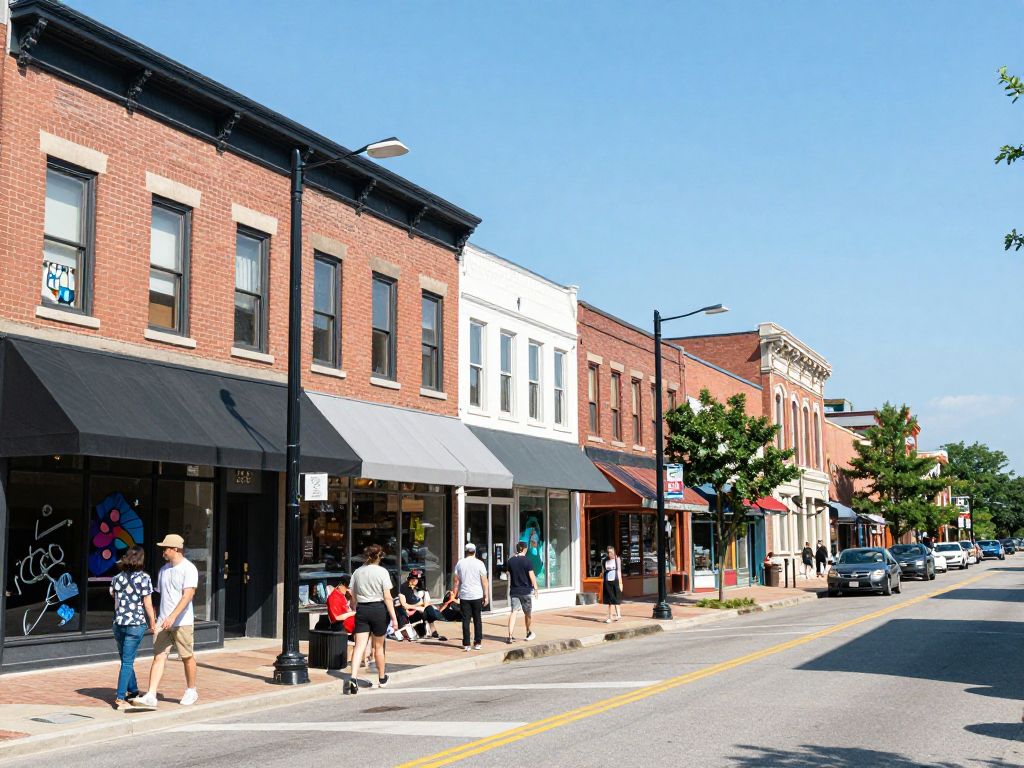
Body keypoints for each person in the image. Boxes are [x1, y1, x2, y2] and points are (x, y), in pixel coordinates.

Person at [132, 534, 199, 709]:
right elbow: (159, 596)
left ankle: (191, 690)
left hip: (182, 622)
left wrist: (173, 616)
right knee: (159, 656)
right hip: (164, 622)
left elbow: (188, 596)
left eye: (166, 548)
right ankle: (151, 694)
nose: (163, 551)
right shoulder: (164, 570)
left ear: (175, 549)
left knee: (186, 656)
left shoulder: (189, 569)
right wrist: (155, 620)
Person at [109, 545, 156, 711]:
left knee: (126, 660)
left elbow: (115, 601)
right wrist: (153, 622)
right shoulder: (144, 578)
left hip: (119, 623)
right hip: (136, 624)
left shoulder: (116, 578)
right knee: (128, 662)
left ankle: (134, 690)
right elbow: (148, 604)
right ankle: (120, 697)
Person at [347, 544, 398, 694]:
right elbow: (388, 597)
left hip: (362, 609)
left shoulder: (357, 572)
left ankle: (353, 677)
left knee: (359, 646)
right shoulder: (382, 572)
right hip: (378, 610)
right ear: (380, 557)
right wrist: (394, 618)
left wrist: (354, 608)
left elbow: (352, 596)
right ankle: (382, 678)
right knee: (378, 647)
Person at [451, 543, 489, 651]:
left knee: (465, 620)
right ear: (475, 551)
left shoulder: (460, 563)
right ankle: (477, 642)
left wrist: (455, 594)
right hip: (477, 595)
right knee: (477, 619)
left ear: (466, 551)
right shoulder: (480, 563)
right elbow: (484, 581)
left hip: (465, 595)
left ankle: (466, 643)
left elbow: (456, 581)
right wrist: (486, 596)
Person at [398, 569, 448, 641]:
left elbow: (427, 602)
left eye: (417, 580)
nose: (415, 581)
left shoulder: (421, 587)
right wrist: (417, 607)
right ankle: (434, 629)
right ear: (409, 579)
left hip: (421, 611)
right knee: (427, 613)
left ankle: (434, 631)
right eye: (413, 579)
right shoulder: (403, 587)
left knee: (428, 608)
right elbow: (404, 605)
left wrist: (423, 607)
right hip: (411, 613)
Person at [504, 541, 538, 643]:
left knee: (514, 611)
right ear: (525, 549)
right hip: (526, 591)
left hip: (514, 590)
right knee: (527, 613)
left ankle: (510, 635)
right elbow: (531, 576)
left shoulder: (510, 561)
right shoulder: (527, 561)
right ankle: (528, 632)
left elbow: (507, 573)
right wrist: (536, 588)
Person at [602, 545, 623, 623]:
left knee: (616, 598)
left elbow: (619, 571)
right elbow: (603, 571)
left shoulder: (617, 559)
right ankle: (609, 617)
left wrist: (621, 583)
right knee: (609, 600)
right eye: (609, 552)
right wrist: (603, 581)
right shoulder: (604, 561)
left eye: (611, 552)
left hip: (615, 580)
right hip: (607, 581)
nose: (610, 554)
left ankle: (618, 614)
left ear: (614, 551)